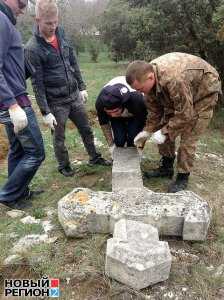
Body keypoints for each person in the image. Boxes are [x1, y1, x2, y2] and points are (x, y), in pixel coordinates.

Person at [25, 0, 111, 177]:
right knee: (59, 137)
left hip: (74, 96)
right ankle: (64, 166)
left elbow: (73, 62)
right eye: (48, 23)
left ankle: (94, 157)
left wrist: (82, 87)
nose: (53, 26)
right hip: (56, 102)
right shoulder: (32, 48)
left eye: (55, 22)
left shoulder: (62, 35)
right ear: (37, 20)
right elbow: (37, 83)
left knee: (86, 128)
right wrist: (45, 111)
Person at [126, 52, 221, 193]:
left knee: (188, 137)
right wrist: (147, 132)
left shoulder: (174, 79)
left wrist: (165, 131)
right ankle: (167, 167)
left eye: (140, 89)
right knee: (164, 127)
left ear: (150, 77)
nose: (141, 93)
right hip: (182, 93)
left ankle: (183, 176)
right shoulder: (148, 82)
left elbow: (185, 114)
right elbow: (155, 114)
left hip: (203, 94)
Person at [0, 0, 45, 208]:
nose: (23, 8)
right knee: (36, 153)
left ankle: (19, 192)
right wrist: (12, 105)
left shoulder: (7, 22)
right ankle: (9, 195)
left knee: (18, 150)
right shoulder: (1, 20)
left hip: (14, 99)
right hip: (14, 102)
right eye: (21, 2)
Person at [95, 76, 147, 156]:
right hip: (123, 110)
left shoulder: (137, 100)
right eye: (109, 112)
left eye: (115, 111)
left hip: (135, 112)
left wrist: (140, 145)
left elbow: (145, 123)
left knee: (133, 138)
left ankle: (133, 156)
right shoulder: (100, 103)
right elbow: (104, 124)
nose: (113, 115)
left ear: (122, 104)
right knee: (119, 141)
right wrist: (111, 145)